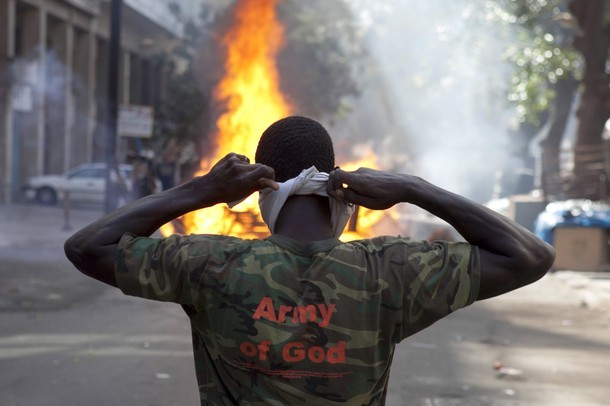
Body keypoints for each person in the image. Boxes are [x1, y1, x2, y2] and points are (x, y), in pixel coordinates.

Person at [64, 116, 555, 405]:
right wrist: (412, 188)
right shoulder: (392, 271)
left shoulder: (209, 265)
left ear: (260, 194)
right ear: (344, 197)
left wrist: (204, 190)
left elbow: (87, 247)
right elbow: (530, 256)